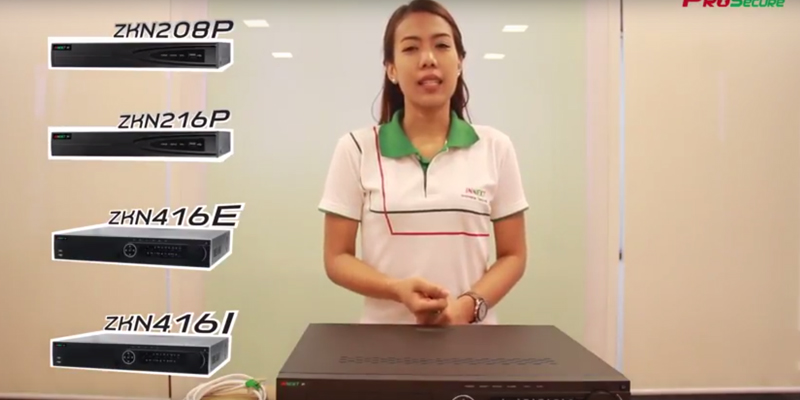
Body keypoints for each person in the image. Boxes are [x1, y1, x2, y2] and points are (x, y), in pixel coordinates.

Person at [319, 0, 528, 326]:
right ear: (391, 69)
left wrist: (466, 308)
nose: (428, 59)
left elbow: (513, 255)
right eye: (411, 48)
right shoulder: (356, 149)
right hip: (383, 343)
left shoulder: (495, 147)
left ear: (459, 62)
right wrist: (395, 289)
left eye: (442, 45)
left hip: (471, 342)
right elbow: (336, 257)